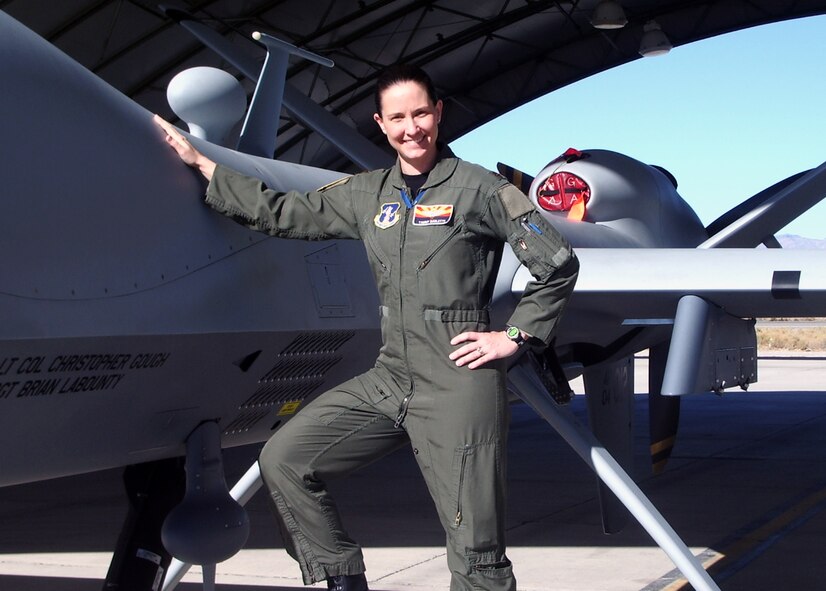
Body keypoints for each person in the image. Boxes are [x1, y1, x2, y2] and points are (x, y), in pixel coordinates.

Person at [154, 63, 578, 591]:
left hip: (458, 383)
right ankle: (343, 578)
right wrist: (204, 165)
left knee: (476, 554)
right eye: (398, 117)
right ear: (381, 124)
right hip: (390, 375)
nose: (411, 127)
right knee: (285, 460)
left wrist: (513, 336)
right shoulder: (366, 193)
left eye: (421, 113)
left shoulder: (480, 189)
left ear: (438, 113)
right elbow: (282, 211)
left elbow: (557, 263)